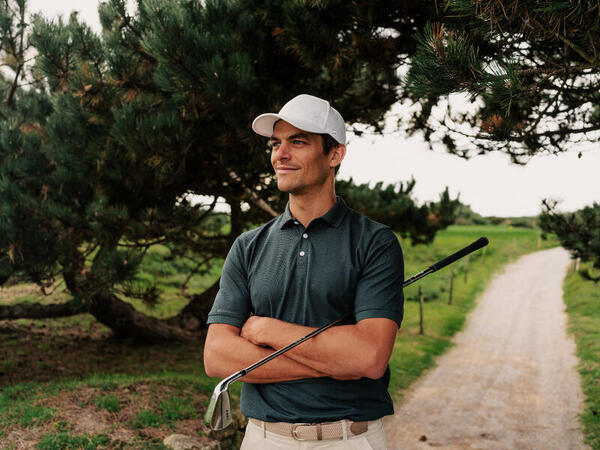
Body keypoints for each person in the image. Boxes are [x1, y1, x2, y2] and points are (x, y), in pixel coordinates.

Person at [204, 94, 404, 449]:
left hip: (349, 440)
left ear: (335, 154)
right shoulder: (248, 246)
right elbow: (217, 355)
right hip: (264, 439)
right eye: (276, 143)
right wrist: (338, 363)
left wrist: (268, 329)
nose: (280, 155)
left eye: (298, 142)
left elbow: (370, 357)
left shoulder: (375, 243)